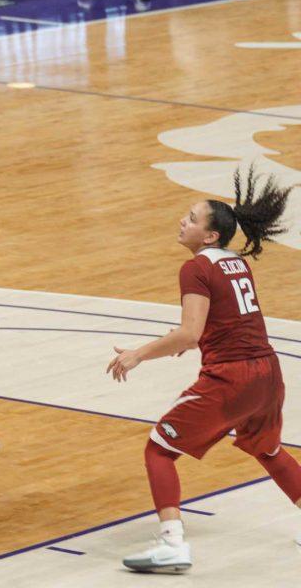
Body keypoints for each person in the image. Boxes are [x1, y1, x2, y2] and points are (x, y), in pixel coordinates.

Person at [108, 168, 301, 574]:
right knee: (267, 449)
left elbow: (190, 333)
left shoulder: (195, 268)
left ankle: (172, 544)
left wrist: (140, 354)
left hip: (232, 378)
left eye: (192, 218)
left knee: (159, 448)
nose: (183, 221)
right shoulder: (236, 263)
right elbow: (219, 322)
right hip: (267, 372)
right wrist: (190, 338)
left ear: (210, 236)